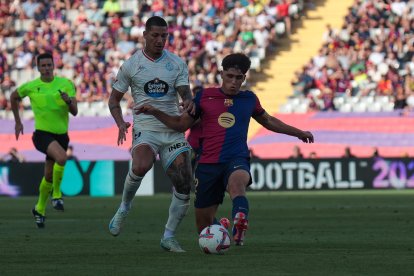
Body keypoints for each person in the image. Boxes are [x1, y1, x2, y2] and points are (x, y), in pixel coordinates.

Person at [135, 53, 314, 246]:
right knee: (203, 227)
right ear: (222, 74)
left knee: (237, 186)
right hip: (207, 165)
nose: (234, 82)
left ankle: (240, 220)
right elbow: (180, 125)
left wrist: (298, 132)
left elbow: (269, 121)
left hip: (236, 159)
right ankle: (222, 227)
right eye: (230, 76)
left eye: (238, 78)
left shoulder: (249, 99)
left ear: (244, 78)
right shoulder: (204, 97)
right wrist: (155, 111)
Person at [107, 16, 194, 253]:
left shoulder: (176, 64)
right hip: (146, 128)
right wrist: (120, 123)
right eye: (155, 35)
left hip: (173, 129)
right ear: (144, 35)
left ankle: (168, 236)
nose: (159, 40)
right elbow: (114, 100)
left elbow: (185, 92)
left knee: (184, 182)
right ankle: (124, 206)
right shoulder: (132, 65)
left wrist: (188, 102)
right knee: (142, 165)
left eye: (164, 36)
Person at [10, 52, 78, 228]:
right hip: (41, 135)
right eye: (43, 66)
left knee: (48, 175)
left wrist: (68, 100)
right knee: (62, 158)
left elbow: (75, 111)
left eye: (49, 65)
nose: (47, 68)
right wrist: (18, 122)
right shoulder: (32, 86)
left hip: (61, 136)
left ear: (53, 66)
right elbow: (13, 96)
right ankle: (57, 195)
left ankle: (39, 209)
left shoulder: (66, 84)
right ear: (38, 67)